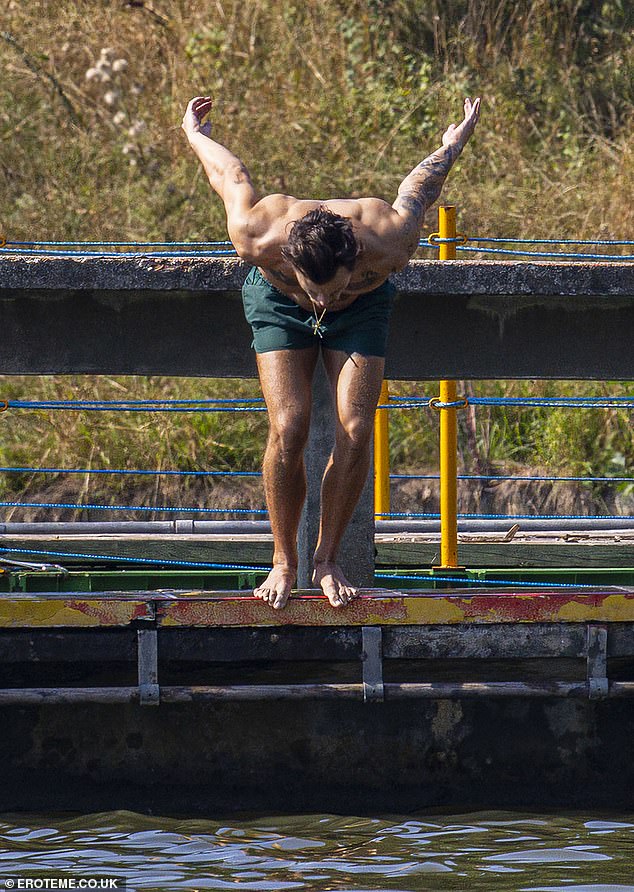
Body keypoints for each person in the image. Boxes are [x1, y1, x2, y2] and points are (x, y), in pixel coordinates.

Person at [182, 94, 481, 610]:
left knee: (356, 425)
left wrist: (450, 145)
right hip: (278, 306)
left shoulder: (388, 239)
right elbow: (230, 176)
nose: (324, 299)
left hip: (362, 315)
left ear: (357, 260)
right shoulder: (259, 235)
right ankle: (283, 560)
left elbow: (421, 187)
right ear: (288, 259)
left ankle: (327, 559)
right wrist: (195, 134)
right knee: (289, 425)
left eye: (337, 286)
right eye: (315, 288)